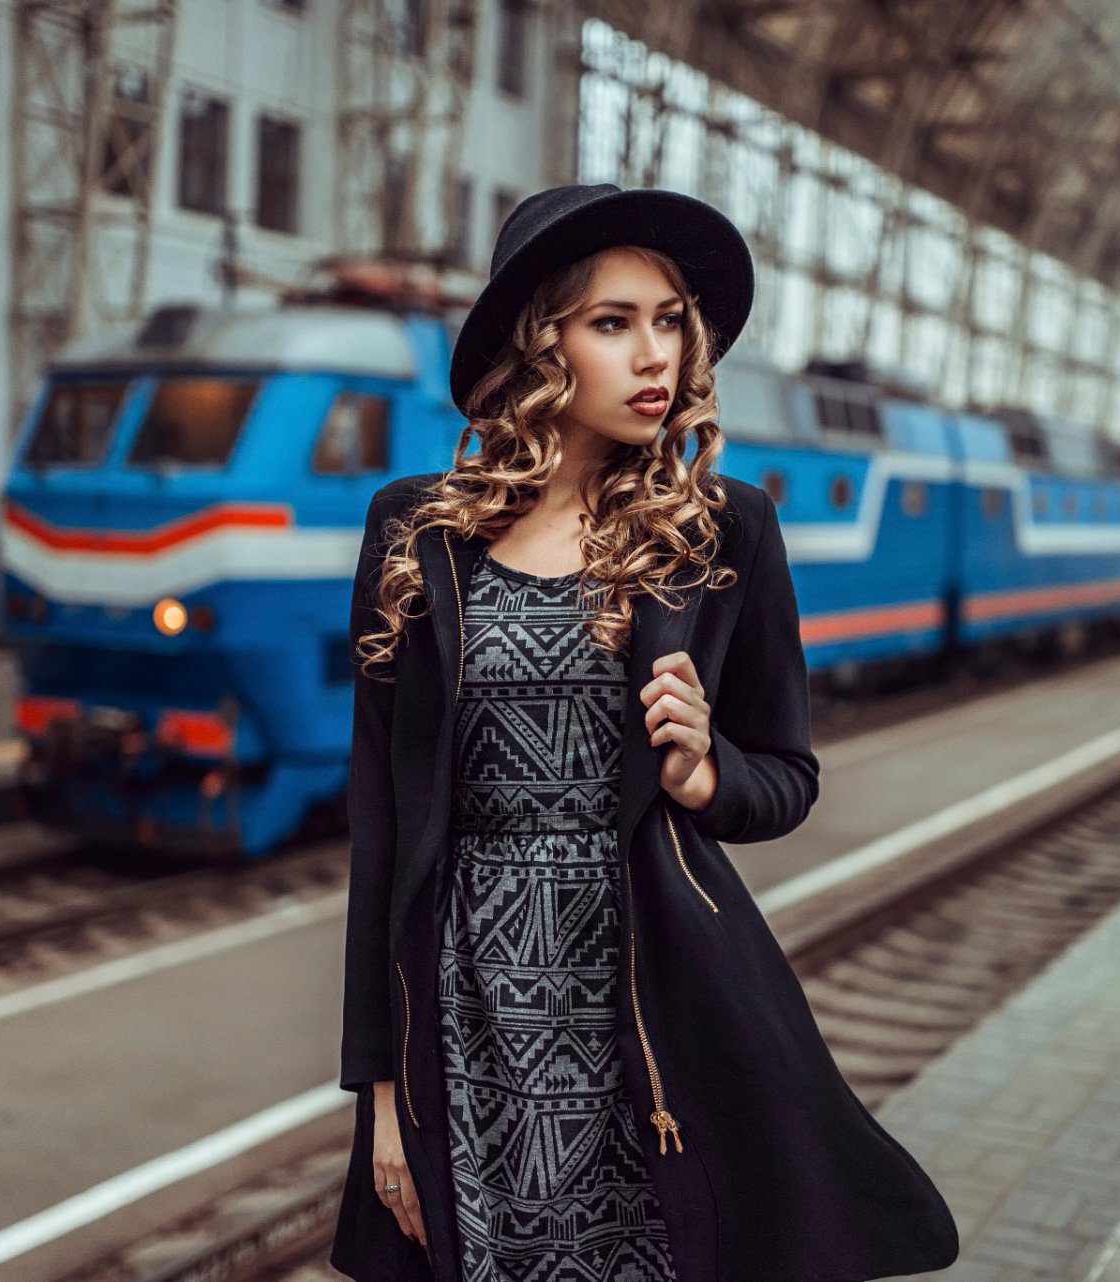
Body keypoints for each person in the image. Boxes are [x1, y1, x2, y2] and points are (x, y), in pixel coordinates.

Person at [327, 183, 958, 1282]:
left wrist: (709, 774)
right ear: (541, 342)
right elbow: (381, 828)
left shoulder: (726, 531)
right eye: (613, 323)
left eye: (671, 320)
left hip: (650, 995)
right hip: (465, 1000)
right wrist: (380, 1091)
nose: (654, 353)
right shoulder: (414, 532)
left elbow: (788, 777)